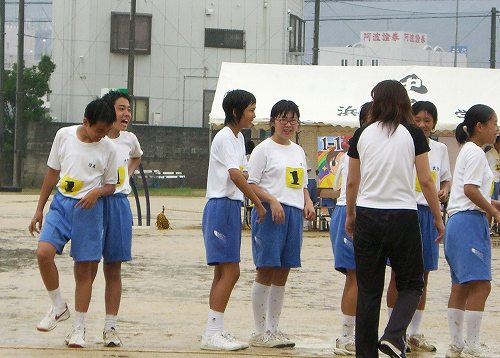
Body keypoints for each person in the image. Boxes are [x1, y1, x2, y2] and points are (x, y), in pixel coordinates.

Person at [345, 80, 444, 358]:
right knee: (412, 283)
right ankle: (393, 334)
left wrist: (350, 215)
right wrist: (438, 218)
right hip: (403, 215)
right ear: (404, 103)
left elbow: (352, 182)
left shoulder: (361, 133)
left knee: (368, 290)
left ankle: (366, 354)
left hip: (367, 214)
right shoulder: (413, 133)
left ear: (376, 103)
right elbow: (425, 180)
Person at [28, 99, 118, 348]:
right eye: (99, 130)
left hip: (89, 210)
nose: (102, 136)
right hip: (61, 204)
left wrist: (96, 193)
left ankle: (79, 328)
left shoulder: (108, 148)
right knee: (43, 252)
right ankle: (57, 306)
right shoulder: (64, 135)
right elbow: (52, 173)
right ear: (85, 122)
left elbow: (111, 185)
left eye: (106, 131)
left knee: (84, 271)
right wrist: (39, 209)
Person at [201, 89, 266, 351]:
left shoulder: (238, 139)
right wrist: (258, 203)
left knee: (223, 271)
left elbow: (244, 173)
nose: (254, 115)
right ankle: (212, 333)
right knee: (231, 271)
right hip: (221, 206)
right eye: (250, 110)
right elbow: (236, 176)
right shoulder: (225, 137)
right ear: (237, 112)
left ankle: (214, 330)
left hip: (230, 206)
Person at [247, 99, 315, 349]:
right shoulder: (263, 149)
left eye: (292, 119)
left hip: (294, 215)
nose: (288, 124)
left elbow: (303, 185)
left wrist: (307, 202)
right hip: (270, 214)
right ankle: (259, 330)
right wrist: (271, 201)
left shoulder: (298, 151)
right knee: (266, 268)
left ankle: (273, 328)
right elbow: (251, 184)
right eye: (283, 119)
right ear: (273, 121)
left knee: (284, 271)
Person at [385, 101, 451, 352]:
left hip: (428, 213)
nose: (423, 124)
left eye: (428, 120)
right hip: (405, 212)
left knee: (423, 275)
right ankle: (394, 331)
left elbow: (444, 179)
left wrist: (444, 191)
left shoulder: (440, 149)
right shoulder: (401, 143)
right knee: (397, 274)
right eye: (418, 119)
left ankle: (414, 332)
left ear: (434, 122)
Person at [444, 104, 499, 358]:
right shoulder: (475, 153)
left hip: (458, 220)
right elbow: (470, 190)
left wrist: (495, 205)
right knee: (481, 285)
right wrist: (495, 213)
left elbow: (470, 192)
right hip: (469, 222)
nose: (496, 129)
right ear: (480, 126)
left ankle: (457, 344)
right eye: (494, 123)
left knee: (461, 286)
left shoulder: (468, 151)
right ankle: (472, 344)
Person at [328, 101, 371, 355]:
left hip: (368, 213)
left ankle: (357, 334)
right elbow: (349, 187)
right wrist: (352, 214)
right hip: (351, 211)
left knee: (365, 278)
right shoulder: (357, 148)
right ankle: (345, 336)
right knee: (355, 276)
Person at [101, 90, 143, 347]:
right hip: (95, 203)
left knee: (113, 267)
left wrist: (127, 174)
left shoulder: (129, 140)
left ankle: (110, 327)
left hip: (119, 204)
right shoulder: (96, 137)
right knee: (86, 265)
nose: (126, 114)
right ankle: (79, 325)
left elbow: (137, 156)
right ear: (108, 110)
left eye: (129, 109)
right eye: (121, 108)